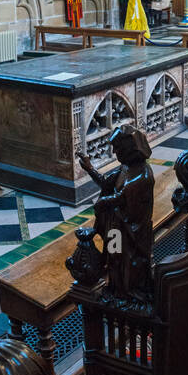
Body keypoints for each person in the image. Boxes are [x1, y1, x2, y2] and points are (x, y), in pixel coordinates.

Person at [77, 124, 154, 299]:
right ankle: (115, 289)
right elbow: (106, 183)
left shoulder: (142, 175)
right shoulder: (125, 168)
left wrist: (103, 202)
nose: (114, 152)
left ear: (129, 149)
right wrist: (90, 168)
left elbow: (121, 198)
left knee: (127, 262)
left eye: (117, 148)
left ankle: (127, 294)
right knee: (113, 258)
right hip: (115, 228)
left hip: (130, 234)